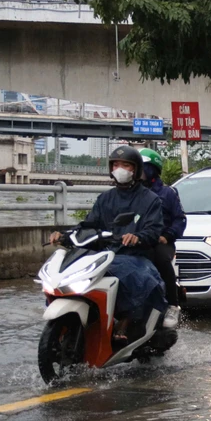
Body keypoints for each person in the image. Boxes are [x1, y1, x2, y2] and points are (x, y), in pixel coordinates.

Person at [49, 146, 167, 342]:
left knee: (134, 275)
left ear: (136, 170)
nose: (120, 169)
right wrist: (65, 235)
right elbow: (89, 224)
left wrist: (138, 236)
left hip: (135, 255)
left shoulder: (150, 199)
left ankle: (128, 319)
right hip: (106, 254)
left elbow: (154, 229)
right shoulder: (105, 198)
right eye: (116, 164)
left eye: (126, 165)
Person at [141, 148, 186, 329]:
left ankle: (172, 305)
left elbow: (180, 219)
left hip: (160, 242)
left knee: (160, 257)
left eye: (143, 167)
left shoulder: (168, 193)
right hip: (137, 240)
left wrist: (167, 236)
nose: (139, 172)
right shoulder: (131, 193)